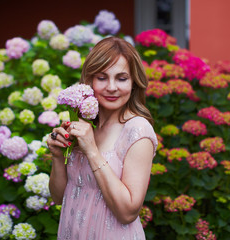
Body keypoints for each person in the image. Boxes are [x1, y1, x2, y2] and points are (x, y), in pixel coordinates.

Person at [47, 36, 158, 239]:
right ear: (89, 80)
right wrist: (56, 156)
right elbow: (59, 197)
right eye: (102, 77)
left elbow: (128, 213)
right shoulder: (85, 126)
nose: (112, 87)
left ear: (133, 83)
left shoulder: (137, 131)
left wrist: (92, 151)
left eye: (122, 78)